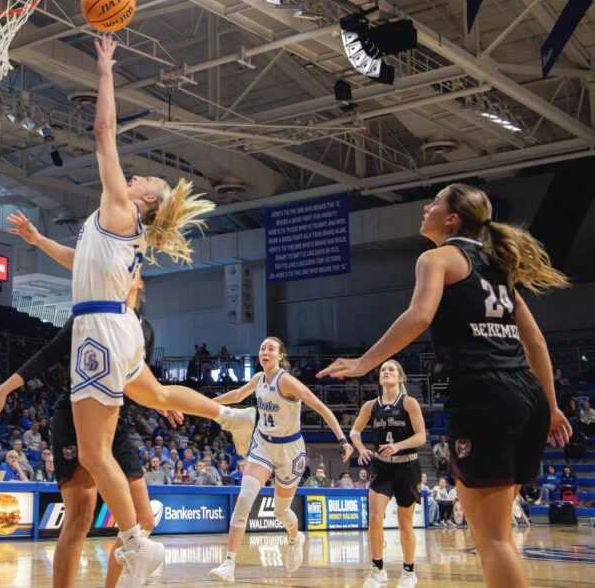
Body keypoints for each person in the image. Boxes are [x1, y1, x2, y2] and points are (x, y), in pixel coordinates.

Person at [320, 184, 572, 588]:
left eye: (435, 202)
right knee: (500, 536)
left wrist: (364, 362)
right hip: (526, 394)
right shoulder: (498, 266)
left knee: (491, 540)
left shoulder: (436, 258)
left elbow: (419, 316)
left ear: (452, 218)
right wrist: (553, 405)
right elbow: (536, 342)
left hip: (483, 395)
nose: (426, 207)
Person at [6, 205, 254, 588]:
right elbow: (54, 348)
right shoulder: (102, 301)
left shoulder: (122, 300)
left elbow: (84, 261)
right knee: (82, 511)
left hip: (110, 394)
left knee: (121, 485)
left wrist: (106, 142)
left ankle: (137, 547)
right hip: (80, 407)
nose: (137, 276)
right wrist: (159, 400)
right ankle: (230, 417)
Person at [209, 337, 353, 582]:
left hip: (290, 451)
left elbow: (321, 407)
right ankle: (229, 563)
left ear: (280, 356)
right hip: (263, 445)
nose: (265, 351)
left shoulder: (286, 381)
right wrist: (205, 404)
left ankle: (296, 538)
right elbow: (236, 395)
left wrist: (343, 440)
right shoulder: (257, 379)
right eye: (262, 347)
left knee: (281, 512)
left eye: (271, 349)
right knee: (244, 499)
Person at [349, 359, 427, 588]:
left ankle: (409, 572)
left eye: (391, 369)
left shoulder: (409, 403)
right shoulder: (370, 406)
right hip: (382, 467)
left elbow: (421, 436)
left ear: (400, 378)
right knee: (374, 518)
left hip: (407, 467)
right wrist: (362, 449)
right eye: (383, 369)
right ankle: (377, 570)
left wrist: (398, 445)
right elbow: (355, 431)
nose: (386, 372)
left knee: (405, 524)